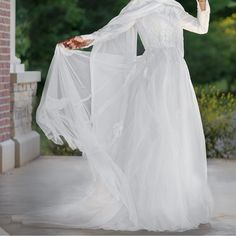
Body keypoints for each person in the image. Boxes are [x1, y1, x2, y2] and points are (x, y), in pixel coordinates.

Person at [11, 0, 214, 232]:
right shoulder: (138, 5)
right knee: (151, 136)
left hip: (177, 77)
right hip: (154, 76)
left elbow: (201, 28)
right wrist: (86, 39)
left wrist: (203, 4)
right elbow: (114, 28)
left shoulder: (174, 6)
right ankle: (146, 203)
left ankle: (175, 202)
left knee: (176, 138)